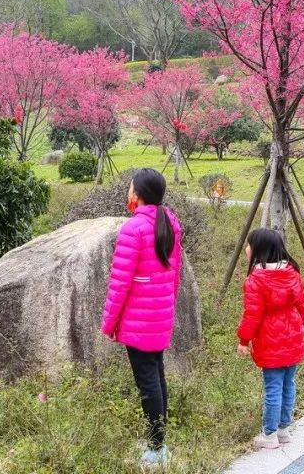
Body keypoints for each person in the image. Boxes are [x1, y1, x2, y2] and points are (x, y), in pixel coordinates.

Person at [101, 169, 182, 468]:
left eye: (130, 188)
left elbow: (119, 284)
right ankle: (159, 439)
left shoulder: (133, 229)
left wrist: (110, 324)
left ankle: (157, 448)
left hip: (138, 321)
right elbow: (175, 275)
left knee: (148, 383)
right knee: (156, 376)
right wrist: (167, 307)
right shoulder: (170, 221)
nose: (128, 193)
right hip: (159, 316)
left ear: (138, 195)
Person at [236, 227, 304, 450]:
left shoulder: (256, 281)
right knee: (289, 384)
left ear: (258, 250)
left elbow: (252, 316)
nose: (246, 249)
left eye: (249, 245)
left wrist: (243, 341)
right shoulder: (292, 273)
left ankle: (269, 435)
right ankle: (283, 430)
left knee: (273, 387)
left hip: (271, 341)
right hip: (293, 335)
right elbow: (302, 303)